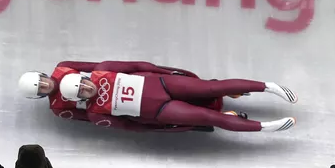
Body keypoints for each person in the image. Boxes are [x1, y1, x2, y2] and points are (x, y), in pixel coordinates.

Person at [26, 60, 297, 132]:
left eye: (40, 80)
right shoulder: (94, 112)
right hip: (158, 111)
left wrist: (166, 70)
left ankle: (269, 86)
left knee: (212, 88)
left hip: (161, 86)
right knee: (207, 116)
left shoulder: (101, 70)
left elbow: (137, 66)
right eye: (40, 89)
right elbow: (128, 126)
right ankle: (263, 127)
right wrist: (156, 127)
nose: (87, 89)